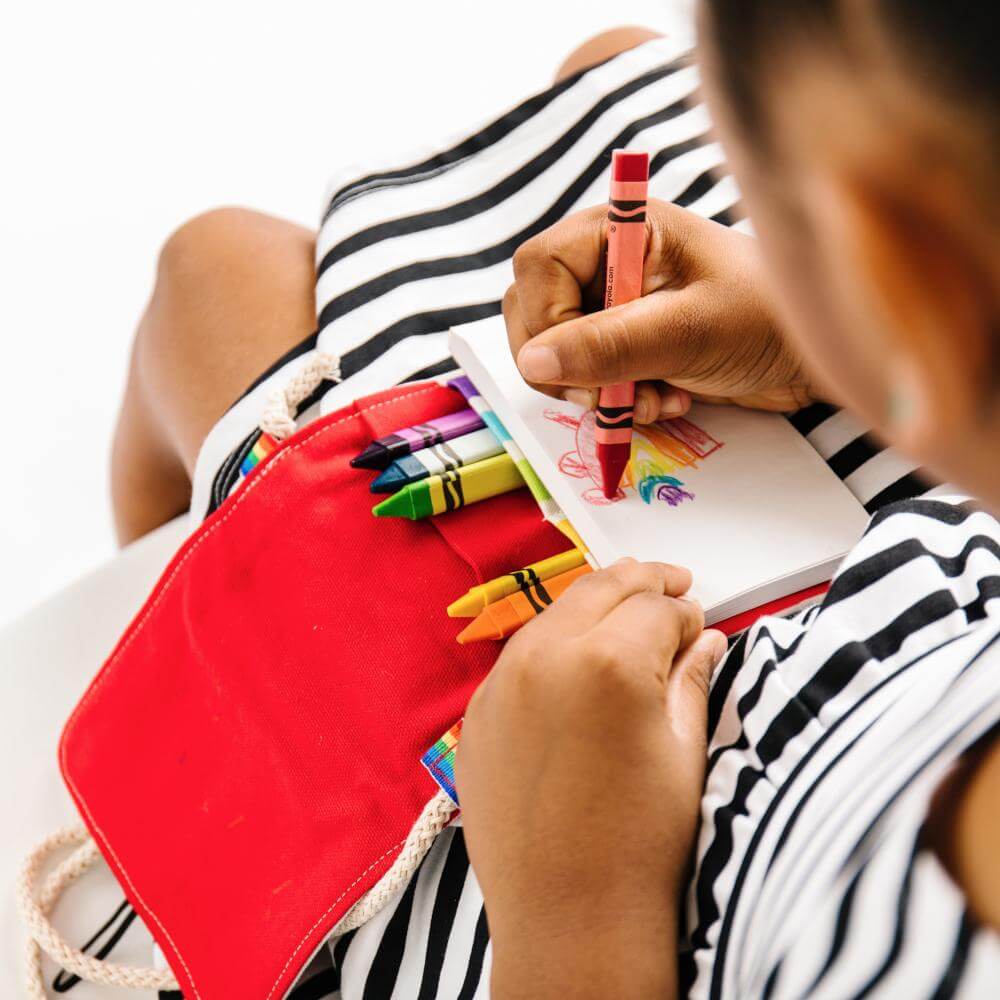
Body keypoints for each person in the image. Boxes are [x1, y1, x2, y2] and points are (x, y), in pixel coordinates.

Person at [107, 4, 998, 997]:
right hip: (918, 580)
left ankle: (178, 680)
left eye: (776, 211)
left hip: (586, 892)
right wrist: (820, 335)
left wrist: (577, 910)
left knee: (215, 271)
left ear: (903, 275)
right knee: (612, 68)